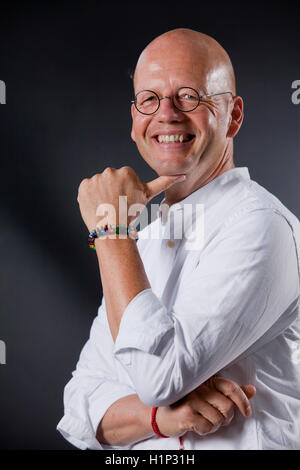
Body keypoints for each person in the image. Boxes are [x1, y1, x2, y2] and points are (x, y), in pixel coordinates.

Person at [57, 28, 300, 450]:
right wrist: (159, 418)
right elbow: (80, 409)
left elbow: (159, 376)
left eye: (189, 96)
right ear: (135, 121)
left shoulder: (261, 226)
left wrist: (110, 229)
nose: (166, 114)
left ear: (234, 116)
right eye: (149, 99)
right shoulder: (143, 242)